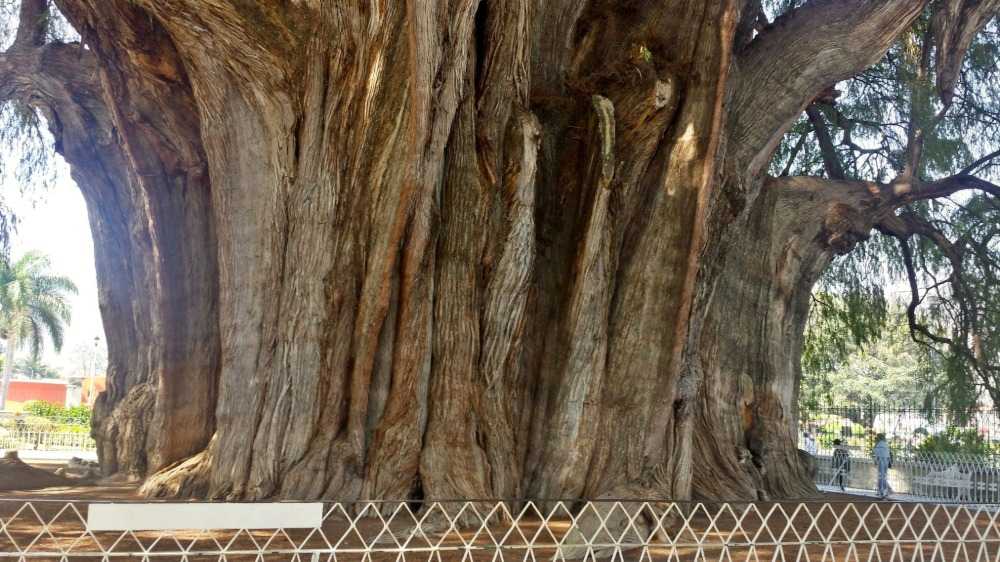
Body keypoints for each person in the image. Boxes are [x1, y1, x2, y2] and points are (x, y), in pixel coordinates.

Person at [873, 433, 893, 498]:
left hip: (881, 461)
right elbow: (888, 454)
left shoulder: (878, 444)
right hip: (886, 461)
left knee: (880, 476)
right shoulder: (885, 444)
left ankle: (883, 490)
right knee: (883, 475)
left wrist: (875, 461)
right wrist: (890, 462)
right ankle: (884, 490)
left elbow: (876, 453)